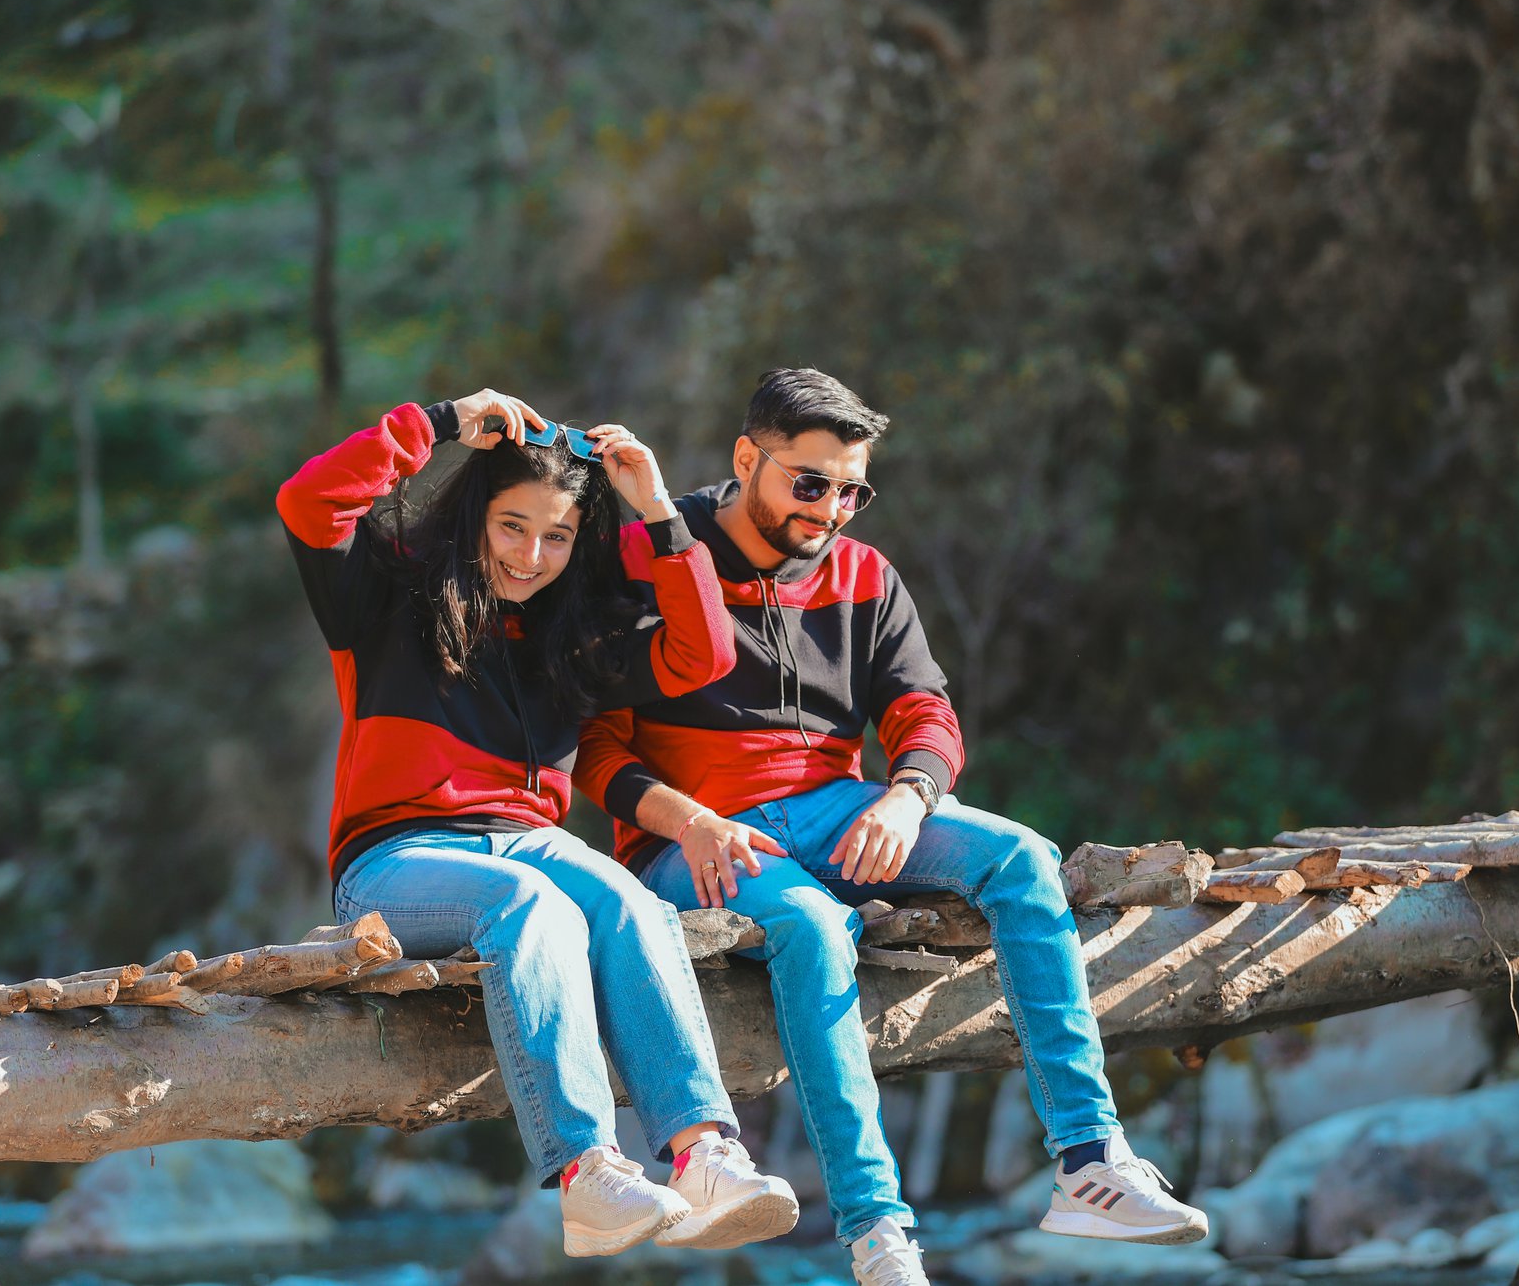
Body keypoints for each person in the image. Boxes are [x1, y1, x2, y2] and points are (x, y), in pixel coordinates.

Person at [577, 369, 1209, 1285]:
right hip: (691, 837)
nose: (831, 507)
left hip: (841, 809)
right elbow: (594, 751)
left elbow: (925, 708)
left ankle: (1090, 1162)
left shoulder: (864, 571)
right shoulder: (651, 553)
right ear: (747, 458)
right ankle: (878, 1232)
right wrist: (692, 821)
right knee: (813, 925)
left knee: (1024, 858)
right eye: (810, 482)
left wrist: (910, 792)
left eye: (851, 489)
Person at [277, 389, 798, 1259]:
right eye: (513, 526)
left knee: (633, 905)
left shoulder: (572, 633)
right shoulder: (386, 587)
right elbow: (308, 500)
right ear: (477, 510)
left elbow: (702, 652)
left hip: (534, 842)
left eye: (556, 536)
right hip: (396, 854)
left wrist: (660, 509)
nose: (532, 555)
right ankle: (587, 1171)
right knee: (531, 904)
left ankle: (702, 1152)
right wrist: (441, 422)